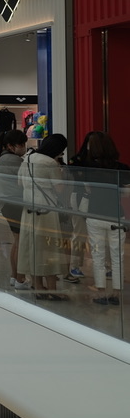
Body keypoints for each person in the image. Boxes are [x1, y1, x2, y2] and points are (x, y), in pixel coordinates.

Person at [73, 131, 129, 305]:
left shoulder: (88, 169)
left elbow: (81, 179)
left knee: (98, 255)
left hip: (95, 214)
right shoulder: (122, 168)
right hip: (116, 215)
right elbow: (126, 191)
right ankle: (117, 293)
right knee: (117, 256)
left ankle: (101, 292)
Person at [17, 133, 69, 301]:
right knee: (49, 247)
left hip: (28, 206)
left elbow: (19, 182)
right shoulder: (50, 163)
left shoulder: (27, 158)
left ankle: (38, 287)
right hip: (47, 209)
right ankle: (52, 289)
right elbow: (60, 189)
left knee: (33, 246)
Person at [0, 129, 30, 290]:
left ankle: (15, 276)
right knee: (21, 242)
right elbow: (27, 180)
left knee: (17, 241)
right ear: (11, 146)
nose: (24, 147)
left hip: (7, 205)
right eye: (21, 144)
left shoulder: (2, 159)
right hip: (16, 203)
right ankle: (20, 278)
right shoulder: (14, 161)